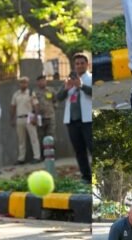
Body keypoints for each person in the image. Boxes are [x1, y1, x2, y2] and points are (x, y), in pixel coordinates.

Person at [57, 53, 92, 183]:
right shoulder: (68, 81)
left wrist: (81, 86)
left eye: (82, 63)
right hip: (72, 121)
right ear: (74, 65)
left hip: (88, 120)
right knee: (79, 150)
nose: (79, 65)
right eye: (77, 63)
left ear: (87, 64)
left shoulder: (91, 78)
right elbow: (58, 97)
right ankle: (86, 176)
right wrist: (66, 89)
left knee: (92, 148)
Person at [10, 76, 40, 164]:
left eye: (25, 82)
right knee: (21, 140)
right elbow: (13, 106)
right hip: (19, 118)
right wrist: (12, 118)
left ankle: (37, 157)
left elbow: (36, 106)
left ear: (27, 83)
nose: (23, 84)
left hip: (29, 117)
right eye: (21, 82)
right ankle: (21, 158)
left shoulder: (31, 93)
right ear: (19, 84)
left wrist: (35, 117)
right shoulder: (16, 94)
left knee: (34, 138)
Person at [32, 75, 57, 157]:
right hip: (40, 118)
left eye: (43, 80)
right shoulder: (35, 92)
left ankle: (52, 155)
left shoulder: (51, 90)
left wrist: (54, 107)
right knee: (41, 137)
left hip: (50, 116)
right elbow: (33, 103)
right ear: (37, 82)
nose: (42, 82)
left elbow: (56, 100)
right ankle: (44, 155)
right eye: (40, 81)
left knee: (51, 135)